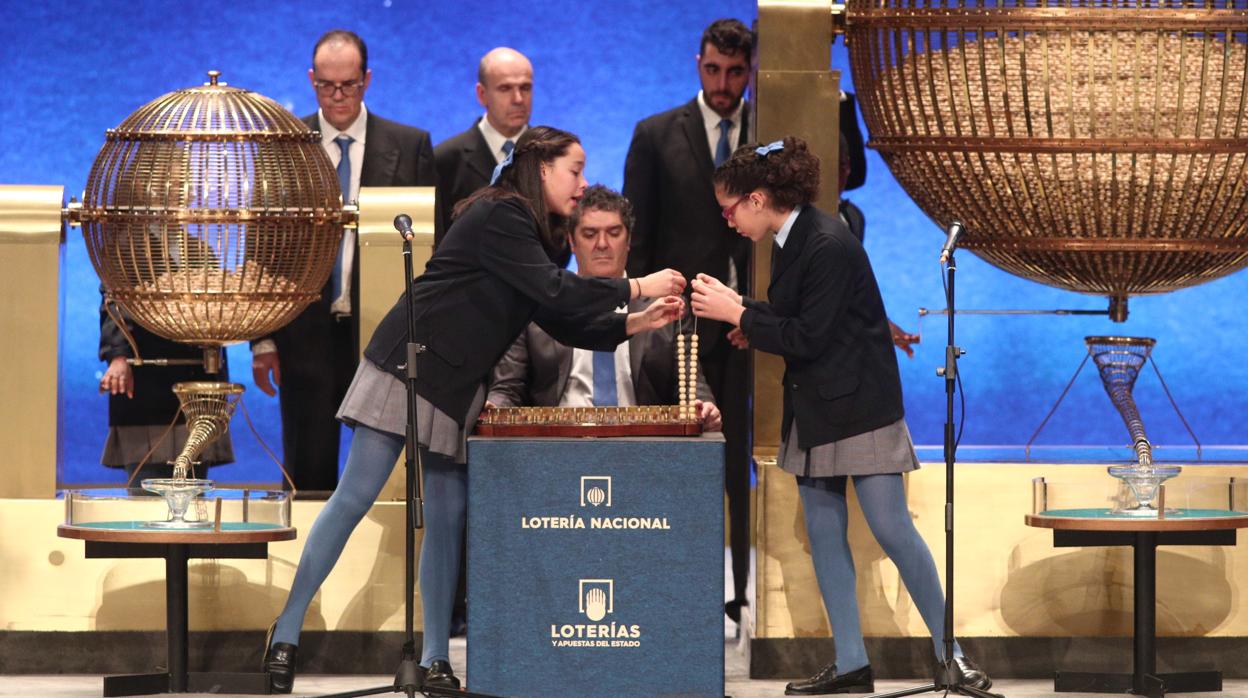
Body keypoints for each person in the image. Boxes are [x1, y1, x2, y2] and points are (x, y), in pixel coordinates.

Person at [262, 126, 687, 694]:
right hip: (408, 363)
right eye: (575, 170)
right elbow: (557, 293)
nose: (582, 184)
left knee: (448, 516)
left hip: (458, 381)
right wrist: (636, 287)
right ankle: (286, 632)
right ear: (542, 169)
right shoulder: (501, 215)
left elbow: (553, 314)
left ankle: (436, 658)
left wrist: (633, 324)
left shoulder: (535, 233)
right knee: (356, 495)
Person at [690, 136, 991, 695]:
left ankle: (953, 655)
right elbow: (797, 318)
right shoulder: (791, 238)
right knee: (826, 538)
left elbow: (809, 335)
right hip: (817, 407)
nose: (728, 221)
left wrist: (741, 313)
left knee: (893, 531)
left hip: (859, 409)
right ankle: (851, 664)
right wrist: (749, 316)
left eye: (730, 209)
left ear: (757, 199)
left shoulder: (827, 240)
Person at [250, 29, 439, 493]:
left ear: (367, 80)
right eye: (326, 86)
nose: (337, 96)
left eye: (348, 85)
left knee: (382, 473)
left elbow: (434, 250)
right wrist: (261, 340)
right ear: (312, 80)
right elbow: (261, 247)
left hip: (385, 334)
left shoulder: (409, 145)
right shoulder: (284, 147)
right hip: (303, 334)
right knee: (306, 470)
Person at [622, 17, 754, 624]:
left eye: (734, 72)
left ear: (749, 71)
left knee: (745, 458)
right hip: (680, 325)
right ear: (697, 65)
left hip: (755, 324)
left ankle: (743, 592)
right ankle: (678, 591)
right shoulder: (655, 135)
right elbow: (640, 237)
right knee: (683, 453)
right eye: (712, 70)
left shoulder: (770, 132)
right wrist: (643, 316)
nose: (722, 83)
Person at [489, 184, 721, 432]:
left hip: (643, 447)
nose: (602, 244)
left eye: (613, 232)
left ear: (629, 240)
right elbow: (507, 387)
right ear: (571, 240)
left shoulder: (666, 307)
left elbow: (691, 385)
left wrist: (703, 406)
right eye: (589, 234)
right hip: (558, 445)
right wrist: (494, 406)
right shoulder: (538, 305)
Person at [99, 294, 233, 485]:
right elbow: (113, 298)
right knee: (146, 497)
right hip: (145, 389)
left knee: (193, 499)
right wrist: (118, 355)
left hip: (199, 383)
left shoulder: (205, 263)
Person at [434, 47, 533, 249]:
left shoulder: (551, 155)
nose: (518, 99)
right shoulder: (446, 159)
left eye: (525, 87)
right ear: (482, 94)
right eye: (505, 89)